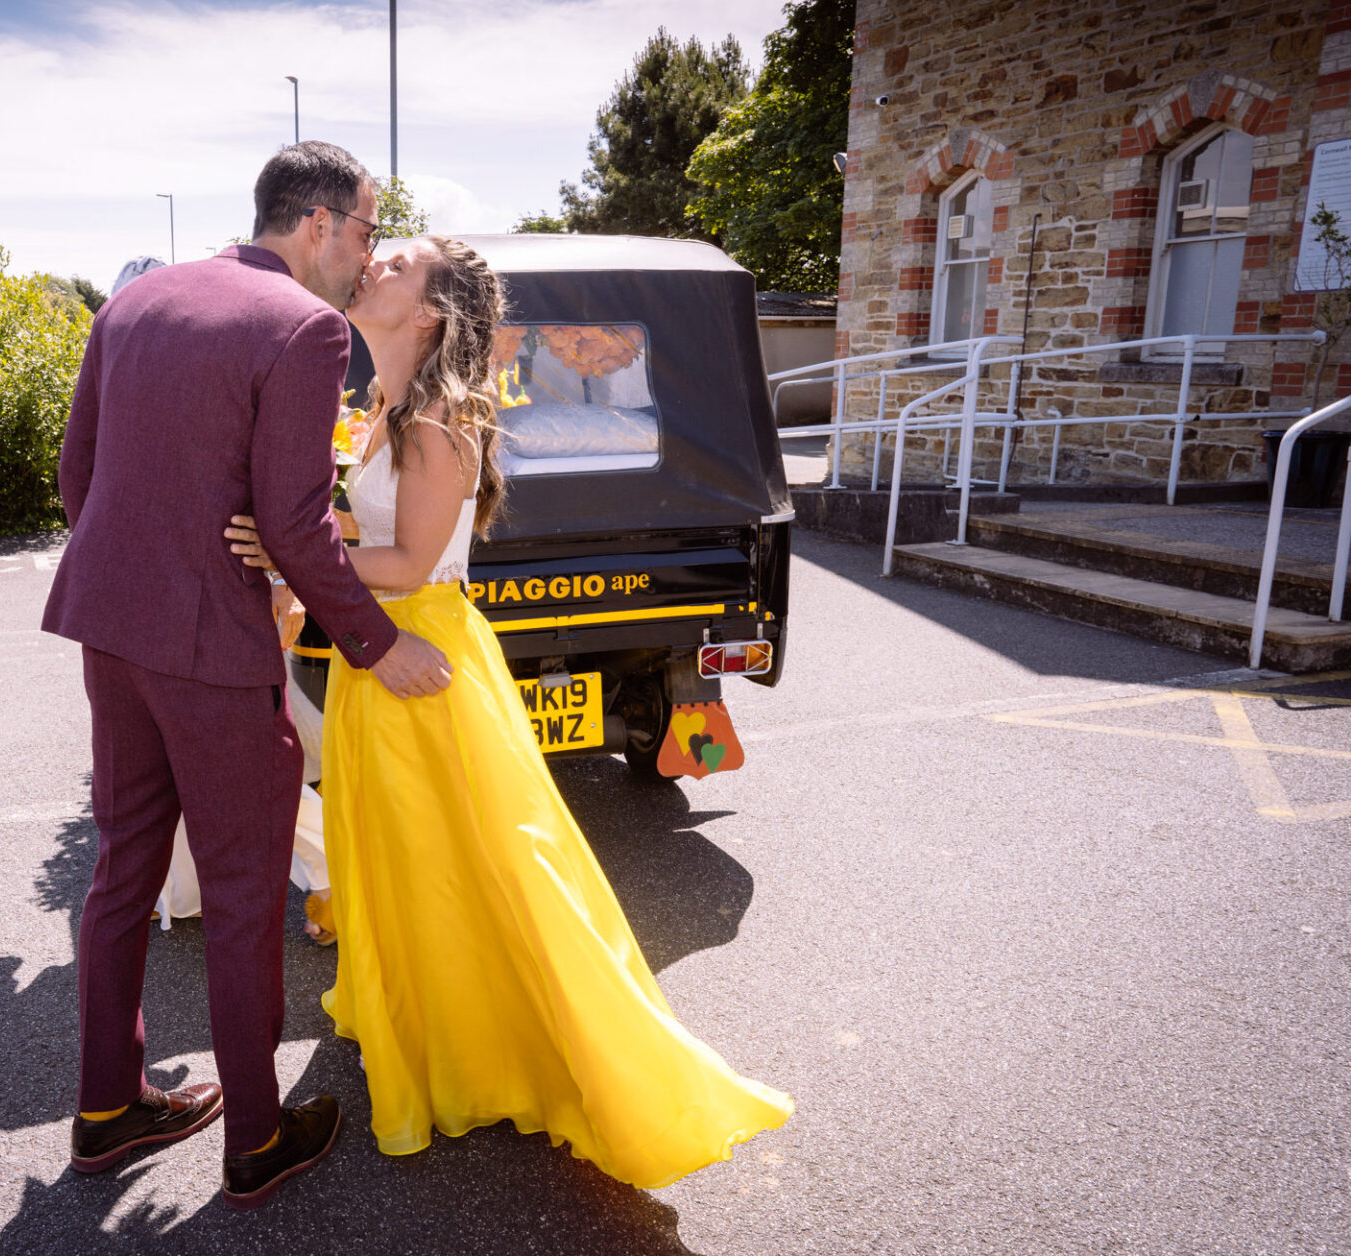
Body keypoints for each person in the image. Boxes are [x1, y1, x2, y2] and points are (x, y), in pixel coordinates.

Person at [227, 236, 794, 1189]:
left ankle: (524, 1048)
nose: (373, 265)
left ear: (430, 312)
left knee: (474, 859)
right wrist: (308, 547)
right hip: (380, 648)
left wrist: (287, 554)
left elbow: (409, 562)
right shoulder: (387, 406)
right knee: (412, 855)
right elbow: (374, 542)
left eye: (397, 265)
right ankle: (440, 1021)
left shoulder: (439, 416)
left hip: (420, 651)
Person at [40, 141, 454, 1211]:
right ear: (318, 224)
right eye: (365, 230)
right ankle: (258, 1137)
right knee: (239, 895)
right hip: (213, 653)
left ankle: (105, 1106)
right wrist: (380, 644)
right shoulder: (304, 327)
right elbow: (294, 526)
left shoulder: (134, 302)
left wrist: (139, 574)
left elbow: (77, 476)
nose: (364, 253)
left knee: (122, 870)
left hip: (109, 632)